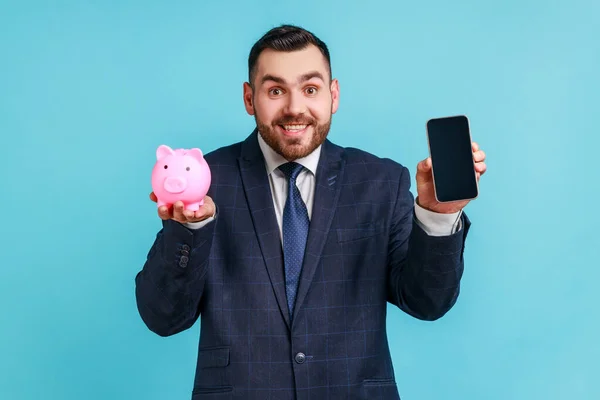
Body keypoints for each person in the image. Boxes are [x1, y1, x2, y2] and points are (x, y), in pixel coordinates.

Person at [135, 24, 487, 400]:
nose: (294, 108)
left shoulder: (380, 181)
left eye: (310, 89)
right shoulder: (206, 181)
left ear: (333, 95)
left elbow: (426, 302)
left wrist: (436, 214)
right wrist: (188, 229)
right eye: (275, 91)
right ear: (249, 98)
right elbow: (163, 318)